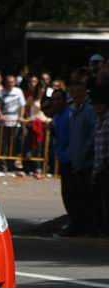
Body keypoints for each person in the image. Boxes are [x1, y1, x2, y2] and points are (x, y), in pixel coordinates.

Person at [63, 78, 96, 235]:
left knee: (85, 197)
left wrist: (85, 154)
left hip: (86, 162)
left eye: (77, 91)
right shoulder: (73, 110)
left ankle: (87, 227)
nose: (74, 94)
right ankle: (77, 225)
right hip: (74, 160)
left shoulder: (88, 110)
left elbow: (92, 135)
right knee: (74, 196)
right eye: (72, 91)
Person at [0, 75, 26, 173]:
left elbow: (22, 105)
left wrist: (21, 116)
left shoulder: (18, 91)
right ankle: (2, 165)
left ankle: (11, 164)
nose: (10, 84)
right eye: (8, 82)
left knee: (13, 144)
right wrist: (0, 115)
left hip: (15, 122)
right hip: (3, 122)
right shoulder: (0, 92)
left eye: (12, 82)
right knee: (3, 145)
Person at [51, 89, 72, 223]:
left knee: (72, 193)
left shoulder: (69, 114)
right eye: (54, 99)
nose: (56, 102)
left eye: (58, 99)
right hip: (62, 157)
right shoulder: (56, 116)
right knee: (66, 192)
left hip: (71, 158)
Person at [90, 85, 109, 236]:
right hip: (99, 166)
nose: (97, 107)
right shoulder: (98, 120)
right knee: (100, 200)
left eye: (99, 104)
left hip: (106, 166)